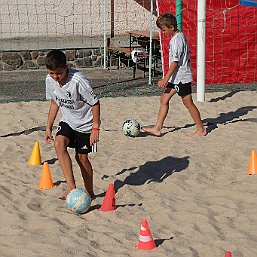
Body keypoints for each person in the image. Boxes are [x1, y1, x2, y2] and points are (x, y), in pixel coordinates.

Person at [44, 49, 100, 200]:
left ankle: (90, 193)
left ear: (66, 67)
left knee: (81, 158)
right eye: (51, 73)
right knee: (59, 144)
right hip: (68, 120)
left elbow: (95, 103)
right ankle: (72, 188)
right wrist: (48, 127)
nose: (55, 77)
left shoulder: (78, 81)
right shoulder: (50, 81)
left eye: (58, 73)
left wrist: (95, 128)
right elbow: (55, 102)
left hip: (86, 124)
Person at [142, 13, 207, 137]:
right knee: (164, 99)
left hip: (182, 78)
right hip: (176, 77)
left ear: (171, 27)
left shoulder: (177, 40)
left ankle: (201, 129)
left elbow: (175, 63)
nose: (163, 32)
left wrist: (165, 79)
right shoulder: (177, 37)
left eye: (164, 30)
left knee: (188, 103)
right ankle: (157, 128)